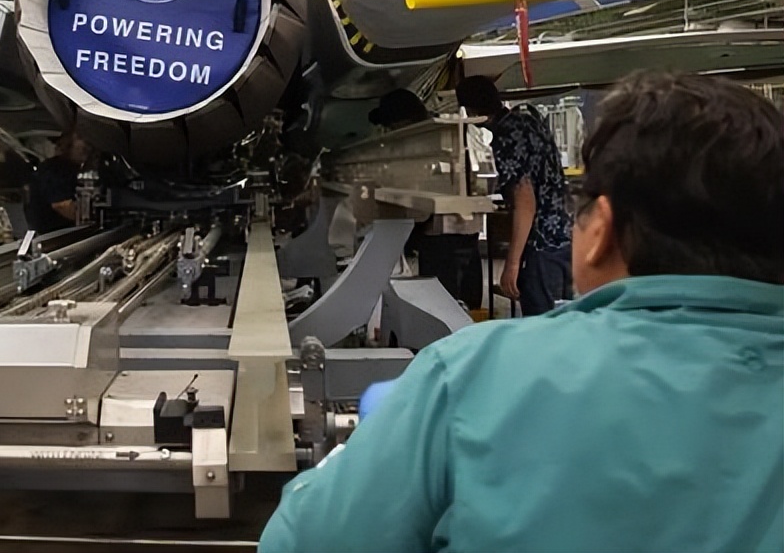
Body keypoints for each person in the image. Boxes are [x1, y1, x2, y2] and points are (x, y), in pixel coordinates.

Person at [260, 71, 784, 553]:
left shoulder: (472, 377)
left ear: (601, 231)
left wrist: (374, 451)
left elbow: (303, 542)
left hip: (535, 252)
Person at [455, 75, 571, 315]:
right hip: (565, 237)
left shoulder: (506, 138)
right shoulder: (528, 121)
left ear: (470, 110)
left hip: (541, 244)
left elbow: (525, 201)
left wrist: (512, 263)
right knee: (566, 319)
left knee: (542, 324)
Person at [370, 88, 484, 310]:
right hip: (461, 230)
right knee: (459, 299)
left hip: (443, 233)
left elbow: (420, 186)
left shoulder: (430, 136)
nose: (391, 132)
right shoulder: (445, 131)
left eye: (392, 127)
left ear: (403, 121)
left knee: (443, 304)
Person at [24, 129, 92, 234]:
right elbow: (62, 205)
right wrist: (91, 217)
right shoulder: (55, 169)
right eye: (84, 145)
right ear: (67, 144)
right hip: (53, 236)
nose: (88, 149)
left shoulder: (73, 169)